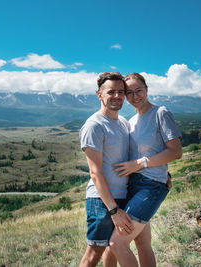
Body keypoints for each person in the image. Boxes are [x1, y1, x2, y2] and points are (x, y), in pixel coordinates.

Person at [108, 73, 182, 267]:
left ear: (147, 90)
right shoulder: (131, 122)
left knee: (117, 242)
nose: (135, 96)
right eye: (129, 92)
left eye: (138, 90)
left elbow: (175, 152)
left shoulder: (160, 113)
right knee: (142, 243)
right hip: (133, 186)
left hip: (150, 187)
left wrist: (142, 164)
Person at [78, 72, 134, 267]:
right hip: (103, 201)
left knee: (113, 248)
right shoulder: (94, 126)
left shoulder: (123, 123)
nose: (117, 96)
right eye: (111, 92)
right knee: (93, 254)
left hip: (122, 197)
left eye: (121, 92)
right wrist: (114, 210)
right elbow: (95, 172)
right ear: (99, 94)